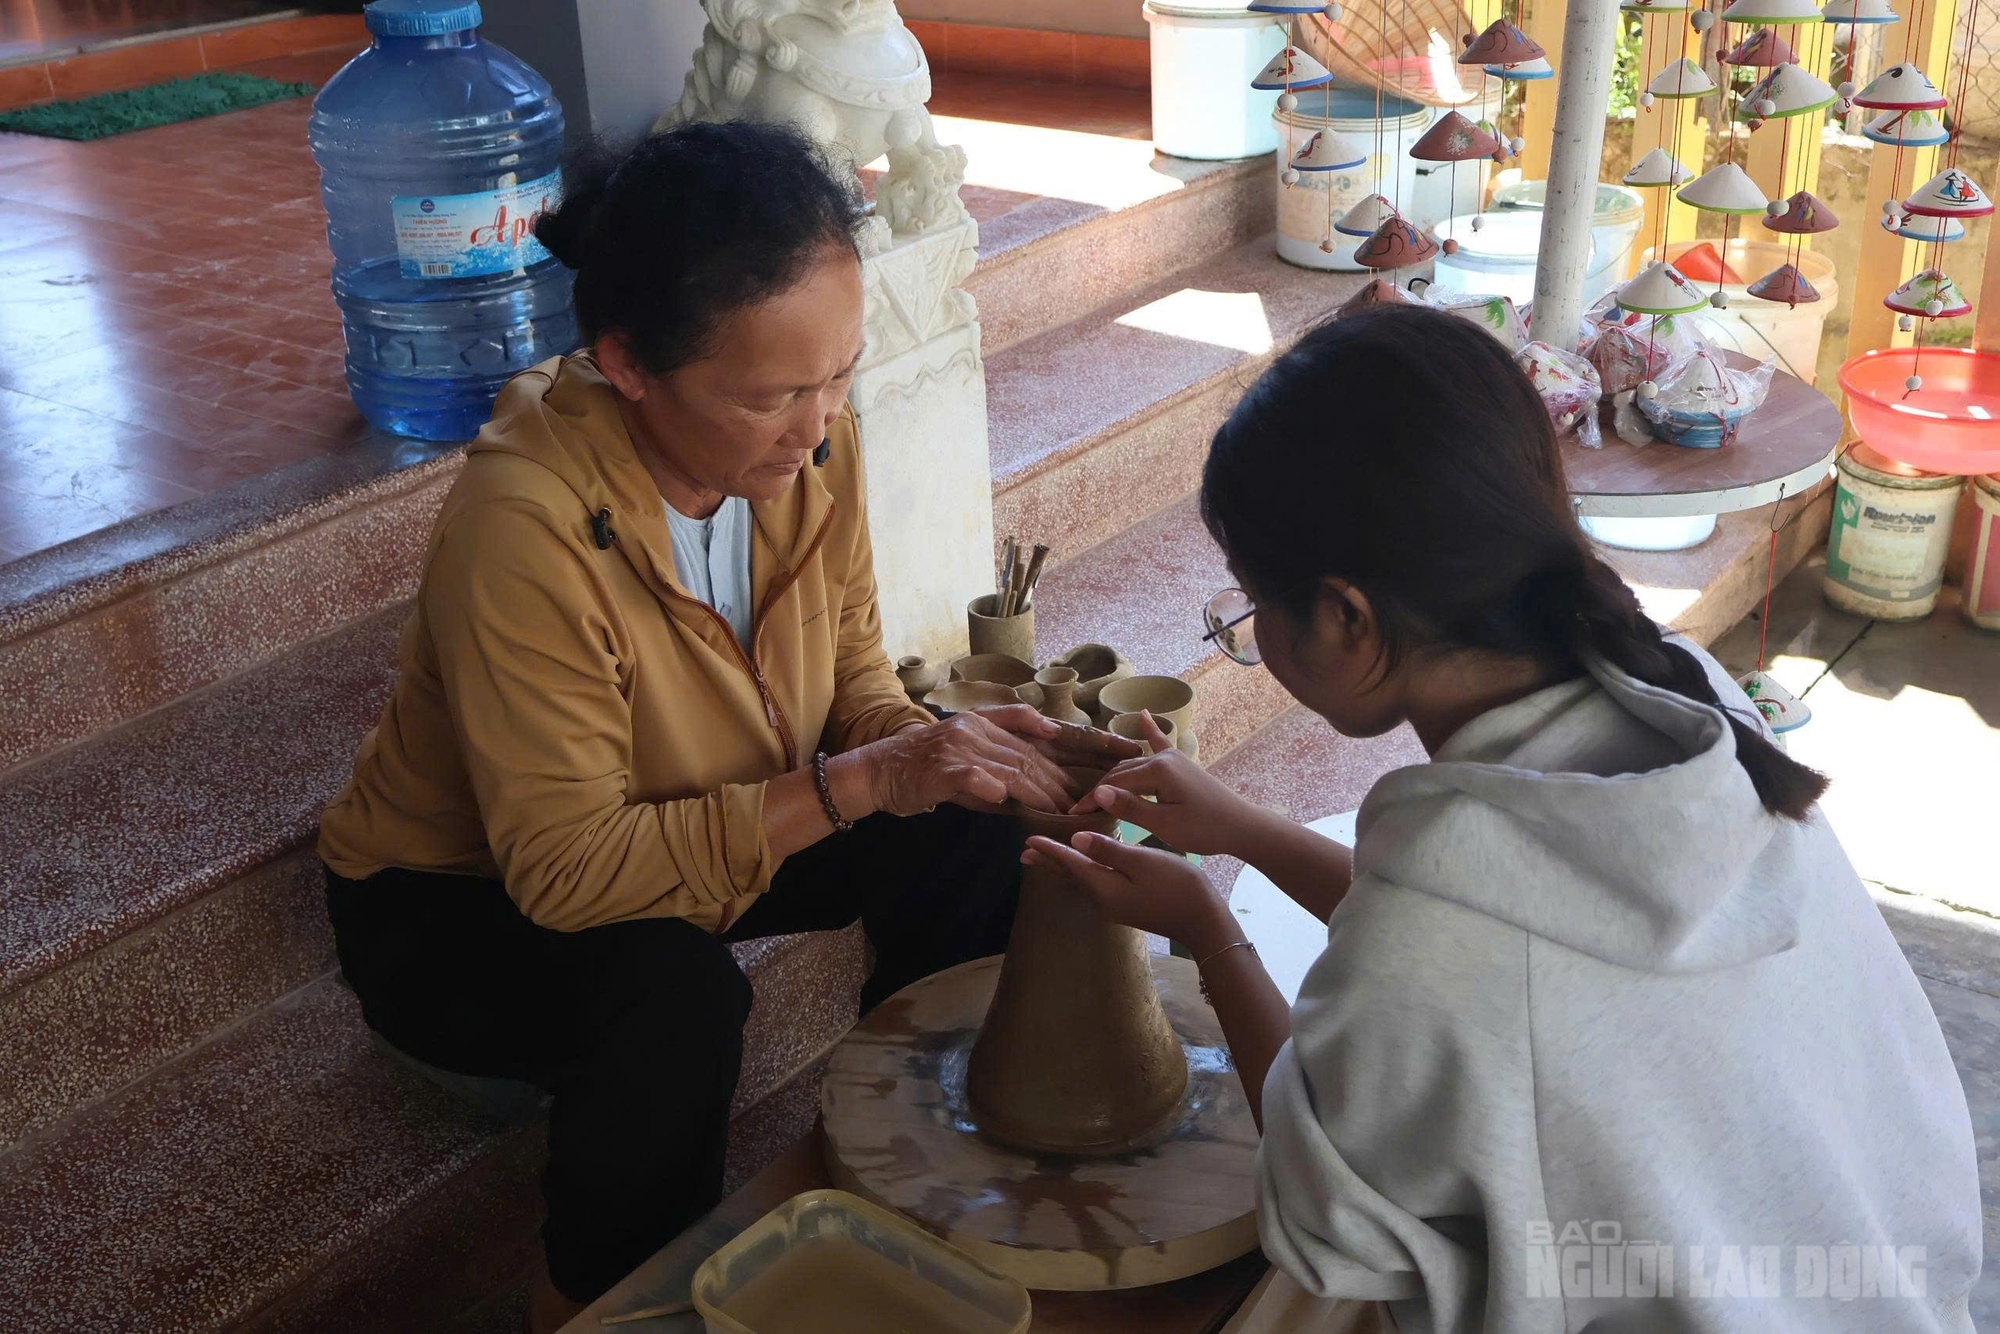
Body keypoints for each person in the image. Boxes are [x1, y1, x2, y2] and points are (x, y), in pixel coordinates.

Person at [316, 121, 1131, 1332]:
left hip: (712, 807)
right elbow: (569, 871)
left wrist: (941, 748)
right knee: (669, 999)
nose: (815, 426)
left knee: (970, 827)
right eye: (771, 395)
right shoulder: (524, 528)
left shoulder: (814, 447)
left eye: (838, 374)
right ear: (626, 365)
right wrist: (864, 780)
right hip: (463, 899)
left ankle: (918, 1154)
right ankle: (602, 1305)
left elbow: (852, 670)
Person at [1029, 305, 1982, 1332]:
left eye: (1253, 597)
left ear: (1347, 616)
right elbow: (1491, 943)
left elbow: (1322, 1214)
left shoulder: (1441, 918)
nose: (1252, 626)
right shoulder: (1684, 694)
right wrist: (1245, 828)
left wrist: (1208, 931)